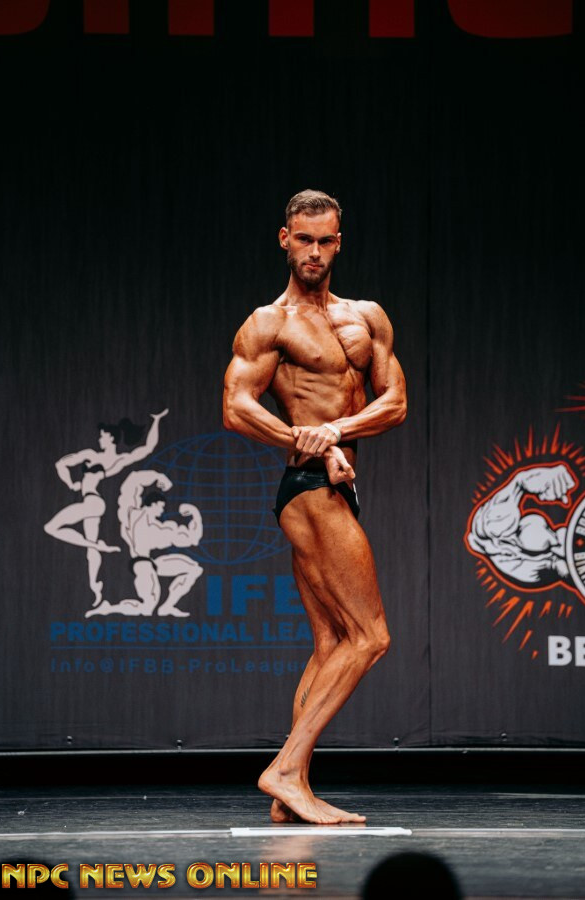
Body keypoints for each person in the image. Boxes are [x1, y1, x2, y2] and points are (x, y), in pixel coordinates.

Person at [223, 189, 407, 824]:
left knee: (332, 641)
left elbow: (394, 402)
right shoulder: (269, 323)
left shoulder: (368, 317)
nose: (315, 252)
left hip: (336, 479)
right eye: (304, 240)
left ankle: (290, 790)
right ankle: (283, 768)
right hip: (307, 487)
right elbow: (237, 406)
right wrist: (307, 441)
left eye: (326, 241)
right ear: (285, 239)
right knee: (370, 636)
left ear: (339, 243)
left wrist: (334, 433)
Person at [44, 409, 168, 608]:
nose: (99, 439)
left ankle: (99, 548)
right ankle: (95, 587)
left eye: (102, 436)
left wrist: (72, 484)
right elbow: (147, 448)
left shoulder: (92, 456)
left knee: (51, 527)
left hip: (91, 502)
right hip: (95, 503)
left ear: (111, 438)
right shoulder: (118, 461)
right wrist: (156, 422)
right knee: (90, 550)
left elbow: (62, 464)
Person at [88, 469, 203, 618]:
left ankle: (168, 606)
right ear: (152, 504)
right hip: (142, 564)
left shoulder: (158, 528)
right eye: (161, 506)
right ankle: (108, 608)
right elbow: (132, 484)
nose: (162, 511)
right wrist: (157, 476)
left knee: (193, 569)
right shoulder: (133, 516)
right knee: (147, 608)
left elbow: (192, 539)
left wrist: (195, 515)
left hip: (152, 563)